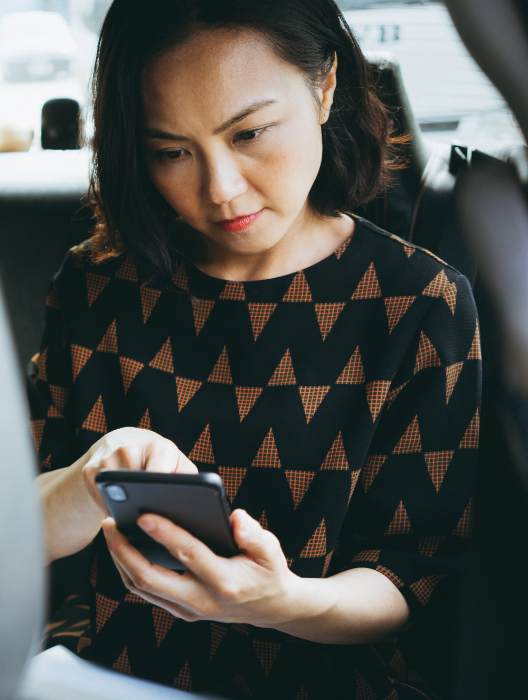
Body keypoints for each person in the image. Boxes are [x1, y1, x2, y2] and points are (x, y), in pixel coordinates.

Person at [27, 0, 480, 698]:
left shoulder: (421, 303)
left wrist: (277, 601)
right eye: (171, 151)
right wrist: (91, 479)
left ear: (326, 86)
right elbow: (0, 530)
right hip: (105, 675)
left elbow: (409, 575)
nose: (220, 189)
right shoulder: (96, 285)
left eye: (251, 133)